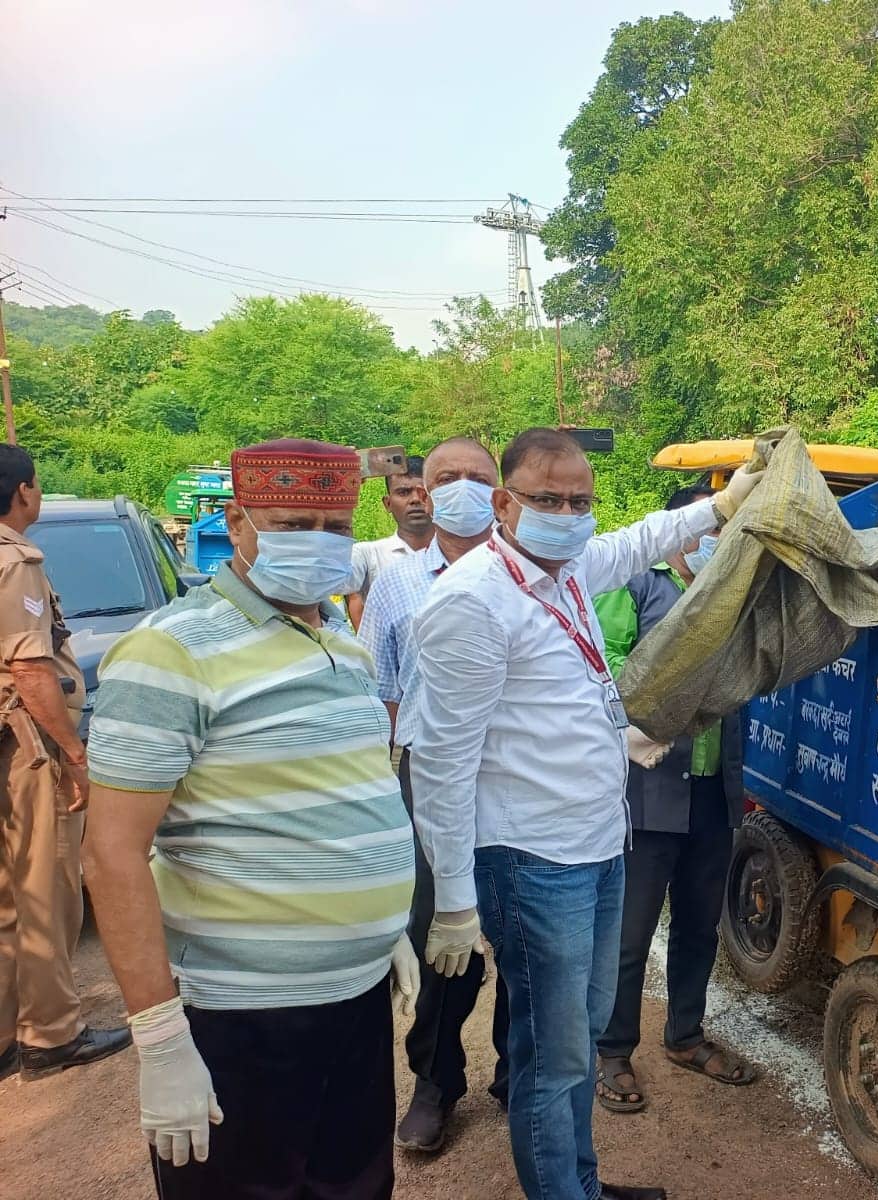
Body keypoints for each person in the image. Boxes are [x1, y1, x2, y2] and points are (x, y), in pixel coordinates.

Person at [409, 428, 761, 1200]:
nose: (567, 513)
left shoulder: (564, 571)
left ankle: (583, 1185)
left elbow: (640, 541)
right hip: (534, 862)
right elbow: (441, 762)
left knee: (581, 1033)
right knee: (556, 1057)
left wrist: (722, 505)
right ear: (504, 504)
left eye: (580, 501)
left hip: (598, 845)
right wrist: (455, 902)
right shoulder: (472, 603)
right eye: (547, 499)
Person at [83, 439, 419, 1199]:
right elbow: (110, 855)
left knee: (355, 1188)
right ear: (237, 523)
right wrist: (162, 1041)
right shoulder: (170, 651)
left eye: (336, 526)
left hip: (355, 1004)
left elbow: (348, 793)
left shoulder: (345, 646)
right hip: (243, 1021)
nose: (321, 543)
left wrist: (382, 925)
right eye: (293, 521)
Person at [359, 436, 511, 1153]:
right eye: (443, 477)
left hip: (516, 778)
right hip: (428, 778)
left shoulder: (533, 571)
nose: (456, 490)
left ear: (500, 490)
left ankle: (519, 1069)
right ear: (420, 489)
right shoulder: (396, 581)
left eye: (476, 477)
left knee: (525, 929)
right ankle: (435, 1081)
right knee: (436, 935)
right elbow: (381, 693)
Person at [592, 487, 755, 1115]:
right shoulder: (636, 584)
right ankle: (612, 1050)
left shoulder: (731, 590)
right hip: (649, 787)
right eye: (715, 527)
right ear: (681, 531)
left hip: (714, 789)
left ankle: (685, 1036)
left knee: (698, 926)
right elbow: (606, 669)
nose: (719, 540)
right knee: (630, 932)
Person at [0, 443, 131, 1083]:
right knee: (45, 889)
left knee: (5, 895)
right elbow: (29, 667)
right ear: (24, 492)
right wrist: (73, 755)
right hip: (27, 748)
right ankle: (52, 1033)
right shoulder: (16, 560)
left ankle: (6, 1030)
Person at [346, 454, 432, 628]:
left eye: (424, 492)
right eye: (404, 492)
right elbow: (322, 581)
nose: (415, 499)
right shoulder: (368, 555)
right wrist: (338, 484)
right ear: (388, 503)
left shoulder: (462, 553)